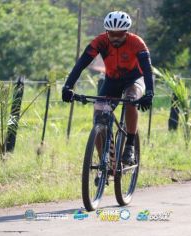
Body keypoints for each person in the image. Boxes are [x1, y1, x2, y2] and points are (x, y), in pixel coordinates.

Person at [62, 11, 154, 165]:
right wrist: (68, 86)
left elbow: (147, 69)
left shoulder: (137, 43)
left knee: (131, 100)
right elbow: (81, 64)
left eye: (120, 34)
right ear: (106, 32)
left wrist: (150, 93)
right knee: (99, 114)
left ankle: (130, 145)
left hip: (135, 79)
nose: (116, 38)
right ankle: (104, 161)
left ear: (126, 32)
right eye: (112, 34)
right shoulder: (100, 42)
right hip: (112, 80)